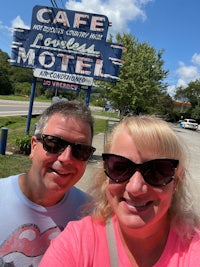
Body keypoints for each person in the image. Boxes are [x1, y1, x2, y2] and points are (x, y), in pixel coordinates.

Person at [39, 115, 200, 267]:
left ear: (177, 181)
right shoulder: (77, 243)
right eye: (120, 168)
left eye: (157, 171)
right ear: (106, 175)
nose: (135, 188)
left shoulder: (194, 248)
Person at [0, 100, 96, 266]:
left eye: (80, 150)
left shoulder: (92, 214)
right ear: (33, 146)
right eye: (53, 143)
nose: (66, 158)